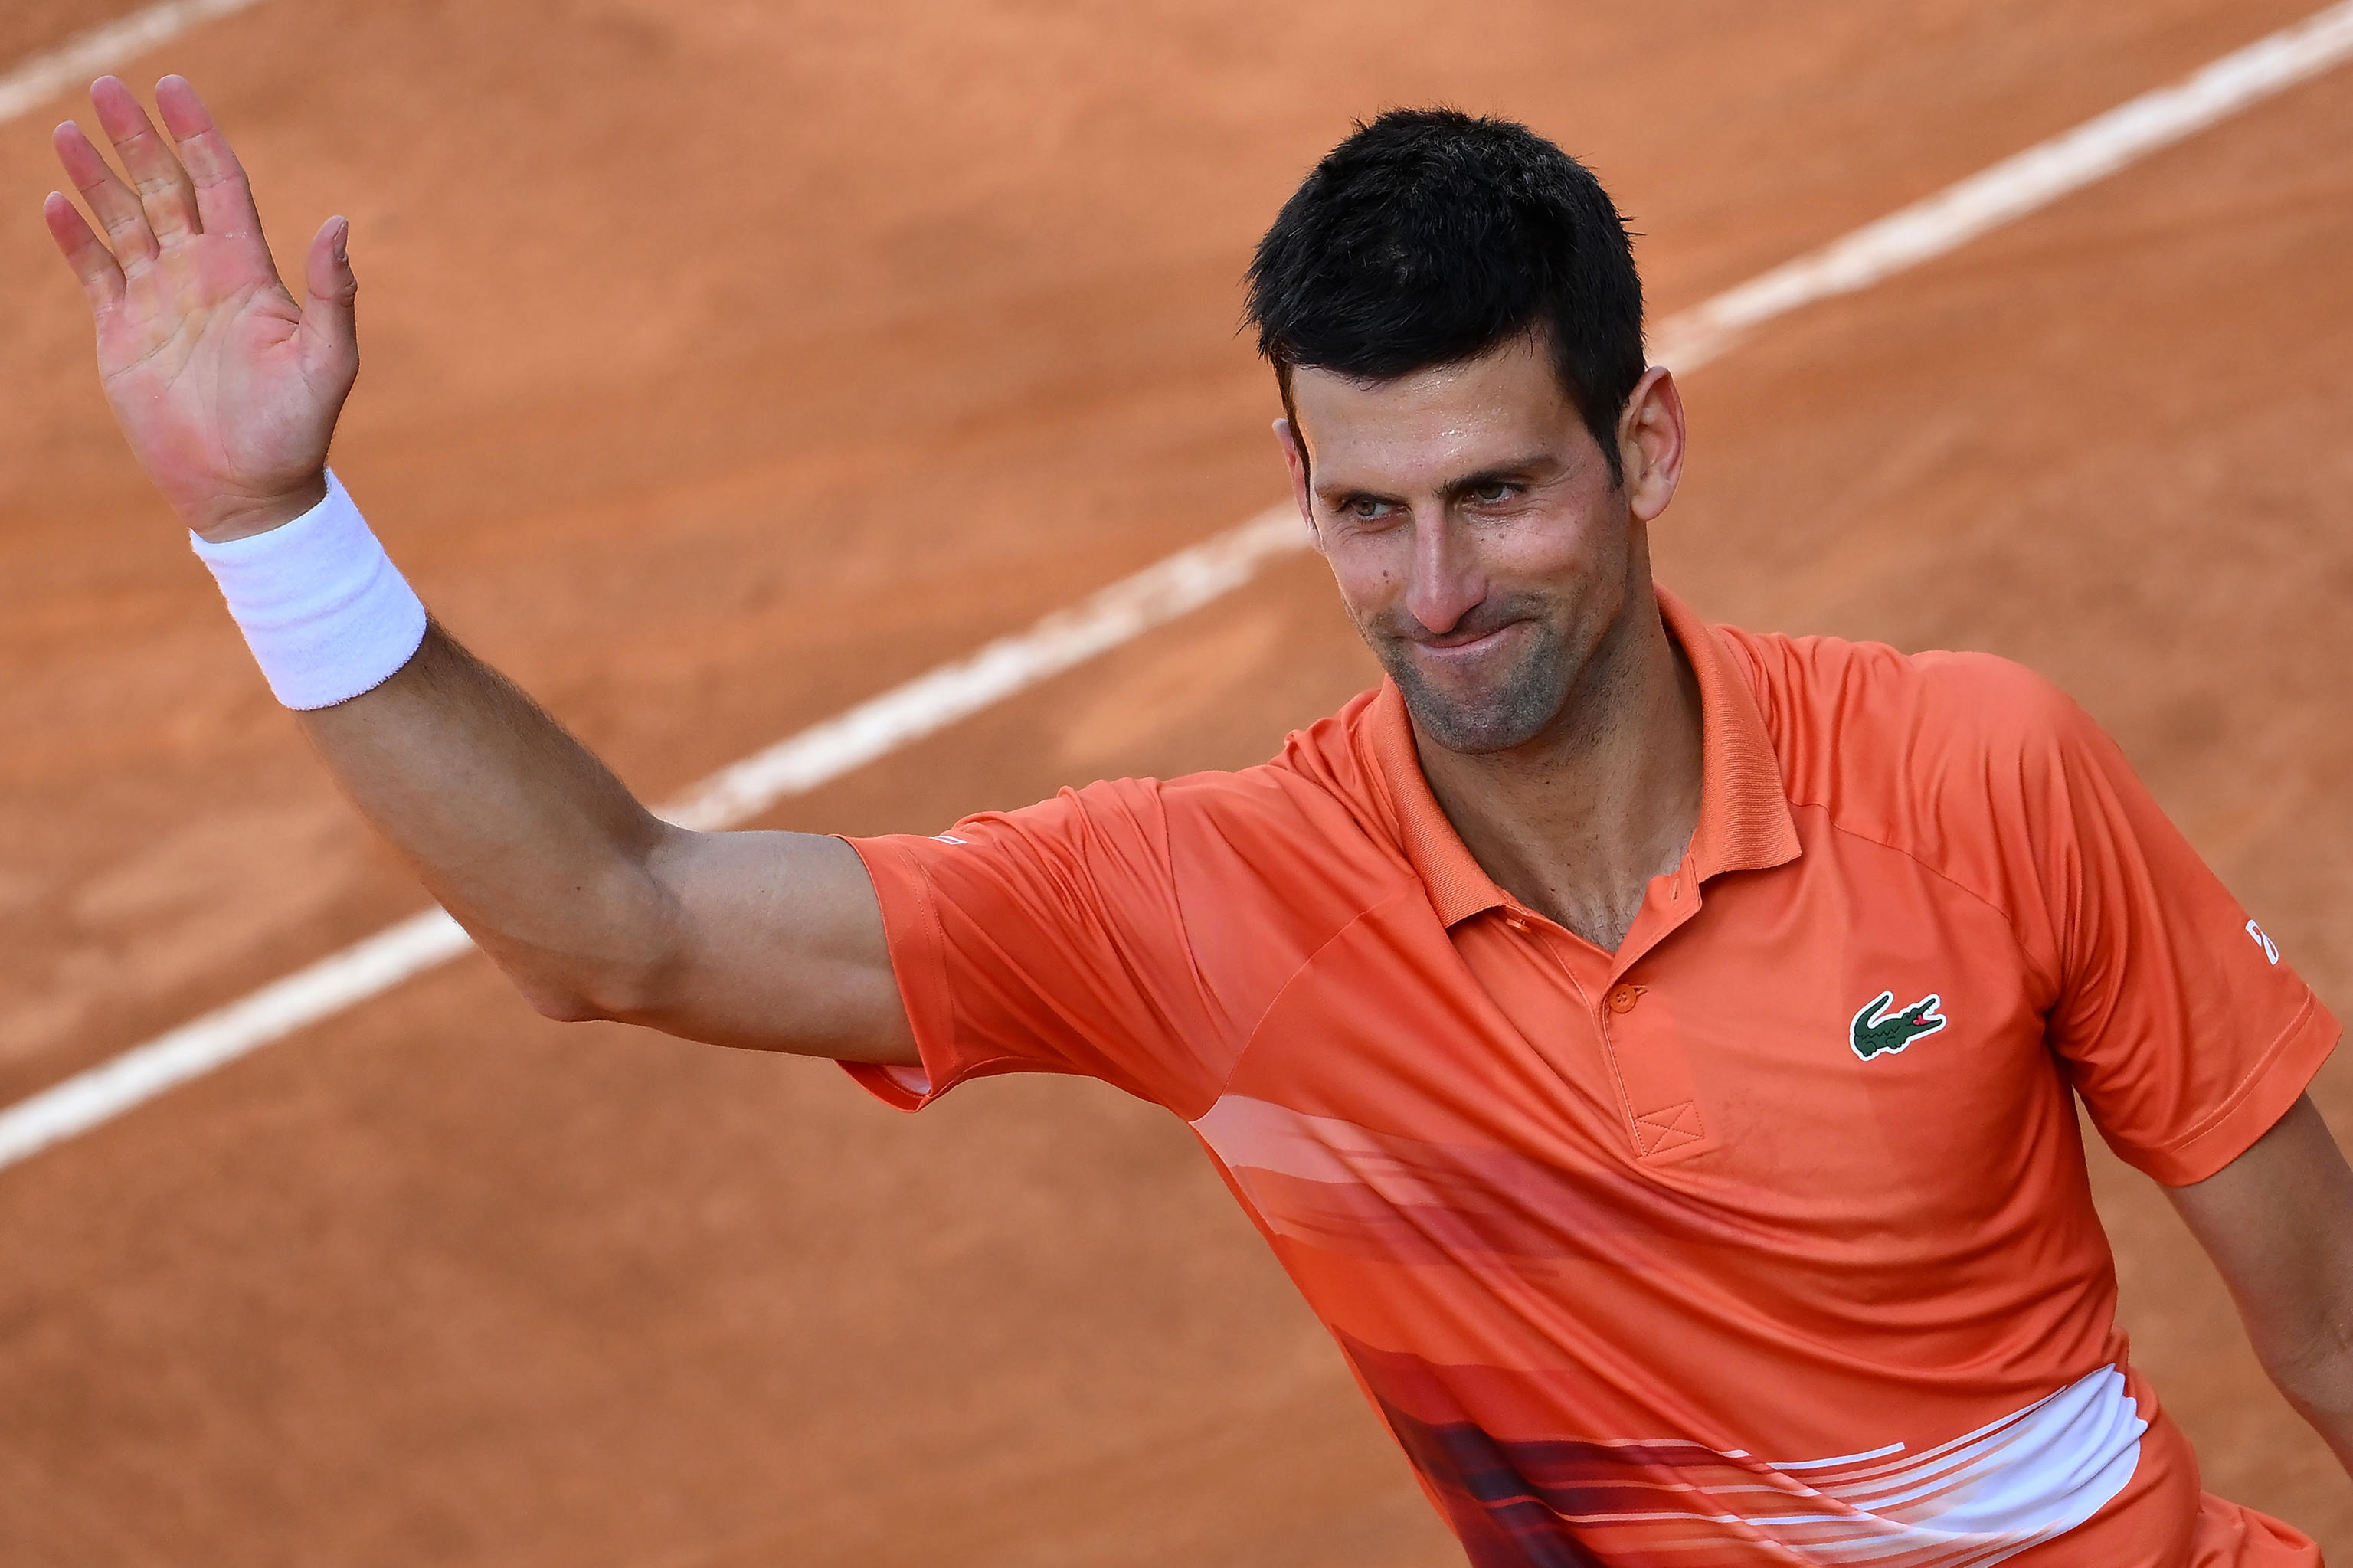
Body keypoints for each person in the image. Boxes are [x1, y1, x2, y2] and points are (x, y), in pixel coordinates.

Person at [41, 73, 2353, 1567]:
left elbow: (2331, 1332)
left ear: (1644, 447)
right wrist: (277, 528)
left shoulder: (1977, 769)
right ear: (1299, 489)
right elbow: (619, 924)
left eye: (1497, 496)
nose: (1434, 595)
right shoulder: (1214, 909)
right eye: (1366, 512)